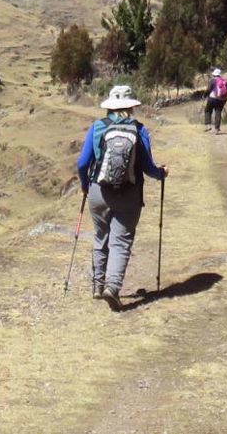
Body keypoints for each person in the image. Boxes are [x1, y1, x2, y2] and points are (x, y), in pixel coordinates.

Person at [75, 85, 167, 303]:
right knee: (121, 241)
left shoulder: (97, 127)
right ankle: (113, 287)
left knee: (101, 236)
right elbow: (148, 167)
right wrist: (161, 174)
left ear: (110, 107)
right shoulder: (139, 130)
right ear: (131, 107)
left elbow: (82, 163)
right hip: (129, 194)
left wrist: (84, 184)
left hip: (99, 191)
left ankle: (98, 286)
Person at [203, 68, 227, 133]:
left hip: (212, 98)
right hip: (222, 99)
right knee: (218, 112)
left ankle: (208, 125)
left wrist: (204, 95)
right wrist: (224, 100)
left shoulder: (212, 80)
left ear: (214, 74)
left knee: (207, 110)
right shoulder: (224, 81)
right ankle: (217, 129)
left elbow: (208, 89)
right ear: (219, 75)